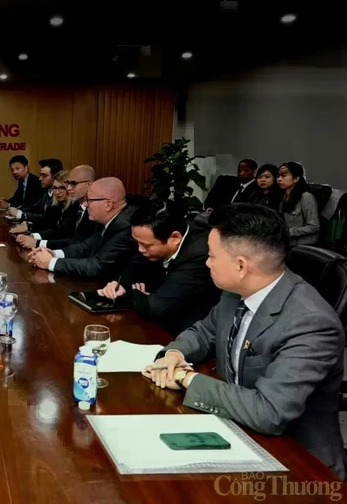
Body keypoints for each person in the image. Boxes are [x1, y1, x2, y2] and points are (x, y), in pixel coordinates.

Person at [143, 204, 346, 479]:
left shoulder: (311, 323)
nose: (207, 262)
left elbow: (269, 412)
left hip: (297, 464)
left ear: (241, 266)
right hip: (234, 430)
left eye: (212, 256)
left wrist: (185, 379)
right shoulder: (236, 291)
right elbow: (204, 332)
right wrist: (175, 354)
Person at [97, 200, 220, 334]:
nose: (140, 249)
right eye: (137, 243)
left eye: (146, 245)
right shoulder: (152, 238)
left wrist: (134, 293)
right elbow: (136, 265)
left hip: (184, 335)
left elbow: (154, 308)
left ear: (175, 238)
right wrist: (121, 285)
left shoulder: (199, 256)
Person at [28, 177, 136, 279]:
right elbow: (85, 247)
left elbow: (97, 266)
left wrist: (50, 262)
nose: (86, 204)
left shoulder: (124, 227)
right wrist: (54, 253)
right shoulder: (106, 220)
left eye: (90, 200)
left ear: (108, 205)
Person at [15, 165, 96, 248]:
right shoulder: (75, 206)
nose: (68, 188)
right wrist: (33, 236)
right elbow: (60, 231)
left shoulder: (94, 212)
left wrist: (37, 243)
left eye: (73, 184)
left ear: (89, 185)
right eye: (68, 184)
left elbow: (77, 243)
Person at [10, 171, 79, 241]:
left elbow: (60, 232)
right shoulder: (56, 207)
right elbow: (44, 221)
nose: (57, 192)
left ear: (69, 188)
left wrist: (33, 236)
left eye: (62, 188)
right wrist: (28, 226)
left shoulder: (74, 208)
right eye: (55, 188)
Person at [277, 161, 320, 246]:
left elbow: (314, 226)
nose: (279, 179)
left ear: (296, 178)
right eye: (278, 176)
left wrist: (288, 232)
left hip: (305, 245)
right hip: (288, 243)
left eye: (284, 176)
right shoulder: (284, 197)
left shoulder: (306, 197)